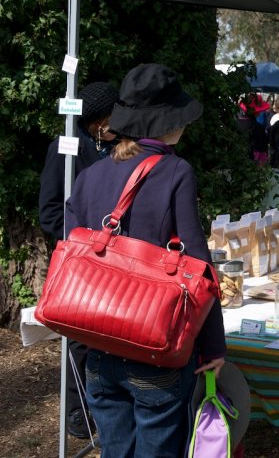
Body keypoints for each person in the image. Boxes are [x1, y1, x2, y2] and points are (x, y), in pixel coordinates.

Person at [64, 63, 226, 456]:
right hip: (155, 349)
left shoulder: (90, 176)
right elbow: (198, 268)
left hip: (97, 346)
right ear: (166, 122)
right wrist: (213, 347)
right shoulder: (175, 172)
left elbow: (71, 250)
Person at [38, 81, 119, 439]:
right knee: (80, 337)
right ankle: (77, 410)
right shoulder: (66, 148)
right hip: (81, 258)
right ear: (98, 119)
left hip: (115, 259)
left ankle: (105, 402)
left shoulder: (116, 147)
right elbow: (50, 211)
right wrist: (84, 240)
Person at [235, 93, 269, 165]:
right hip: (252, 166)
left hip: (236, 163)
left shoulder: (234, 124)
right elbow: (261, 155)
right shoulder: (258, 128)